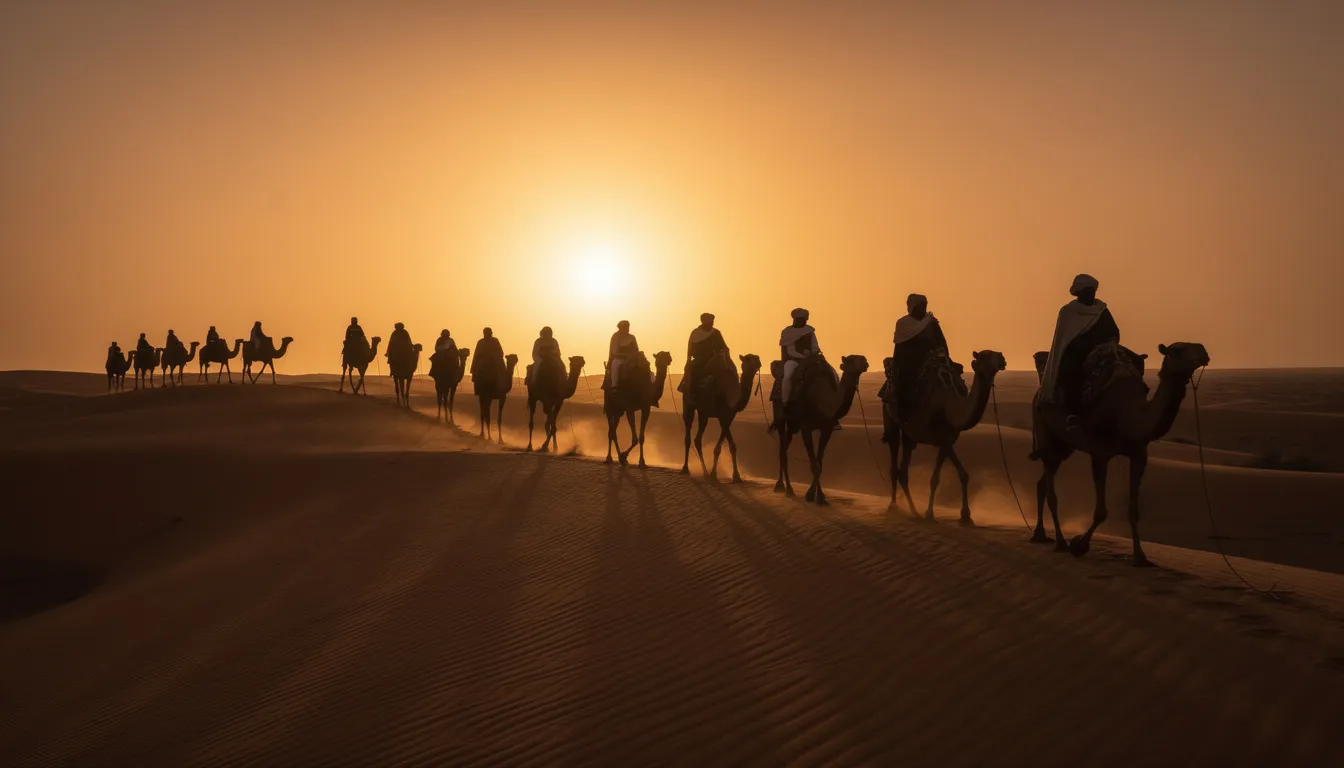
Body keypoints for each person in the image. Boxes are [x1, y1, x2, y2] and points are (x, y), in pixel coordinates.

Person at [1040, 273, 1120, 416]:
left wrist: (1108, 343)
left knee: (1133, 363)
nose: (1091, 293)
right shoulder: (1068, 312)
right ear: (1079, 292)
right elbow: (1065, 339)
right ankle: (1072, 413)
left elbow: (1114, 331)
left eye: (1092, 290)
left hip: (1104, 350)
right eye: (1088, 290)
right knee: (1073, 374)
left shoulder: (1101, 310)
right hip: (1077, 353)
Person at [883, 294, 950, 436]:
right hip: (909, 362)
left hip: (932, 360)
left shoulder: (931, 322)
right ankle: (904, 417)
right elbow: (900, 347)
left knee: (953, 380)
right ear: (912, 307)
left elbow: (941, 342)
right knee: (904, 383)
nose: (924, 308)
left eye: (925, 305)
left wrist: (945, 357)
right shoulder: (903, 324)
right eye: (921, 305)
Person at [679, 312, 729, 394]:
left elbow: (724, 347)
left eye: (713, 321)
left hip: (715, 358)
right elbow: (691, 349)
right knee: (694, 370)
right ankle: (693, 394)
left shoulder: (716, 333)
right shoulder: (696, 333)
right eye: (711, 321)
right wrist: (688, 360)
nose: (712, 323)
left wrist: (723, 351)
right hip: (700, 360)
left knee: (728, 372)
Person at [604, 320, 639, 390]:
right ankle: (614, 386)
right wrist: (625, 355)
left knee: (645, 367)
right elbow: (614, 352)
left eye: (628, 327)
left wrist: (632, 356)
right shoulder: (615, 337)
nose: (627, 328)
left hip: (631, 359)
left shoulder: (632, 337)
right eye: (625, 327)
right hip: (619, 359)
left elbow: (636, 350)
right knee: (615, 366)